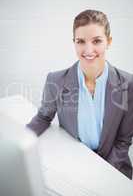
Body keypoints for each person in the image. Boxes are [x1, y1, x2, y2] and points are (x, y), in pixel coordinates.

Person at [27, 9, 133, 179]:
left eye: (97, 41)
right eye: (81, 41)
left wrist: (102, 172)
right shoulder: (56, 80)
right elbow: (43, 117)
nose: (88, 49)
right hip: (74, 167)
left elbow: (123, 141)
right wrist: (19, 142)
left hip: (114, 170)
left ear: (109, 42)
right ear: (74, 43)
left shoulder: (129, 84)